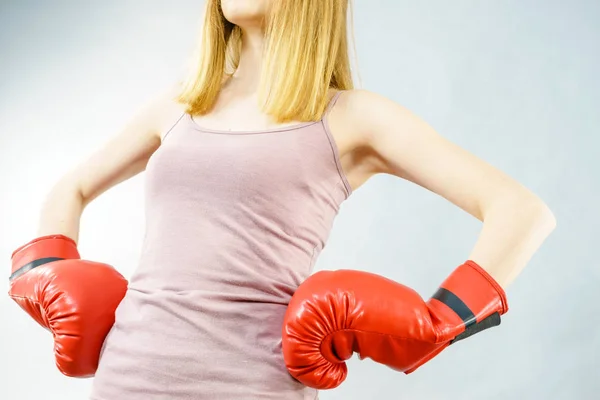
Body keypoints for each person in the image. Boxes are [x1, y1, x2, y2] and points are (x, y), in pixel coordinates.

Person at [8, 0, 556, 399]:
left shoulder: (353, 116)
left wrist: (443, 322)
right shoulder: (176, 107)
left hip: (253, 384)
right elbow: (71, 187)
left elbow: (521, 212)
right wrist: (46, 275)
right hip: (128, 376)